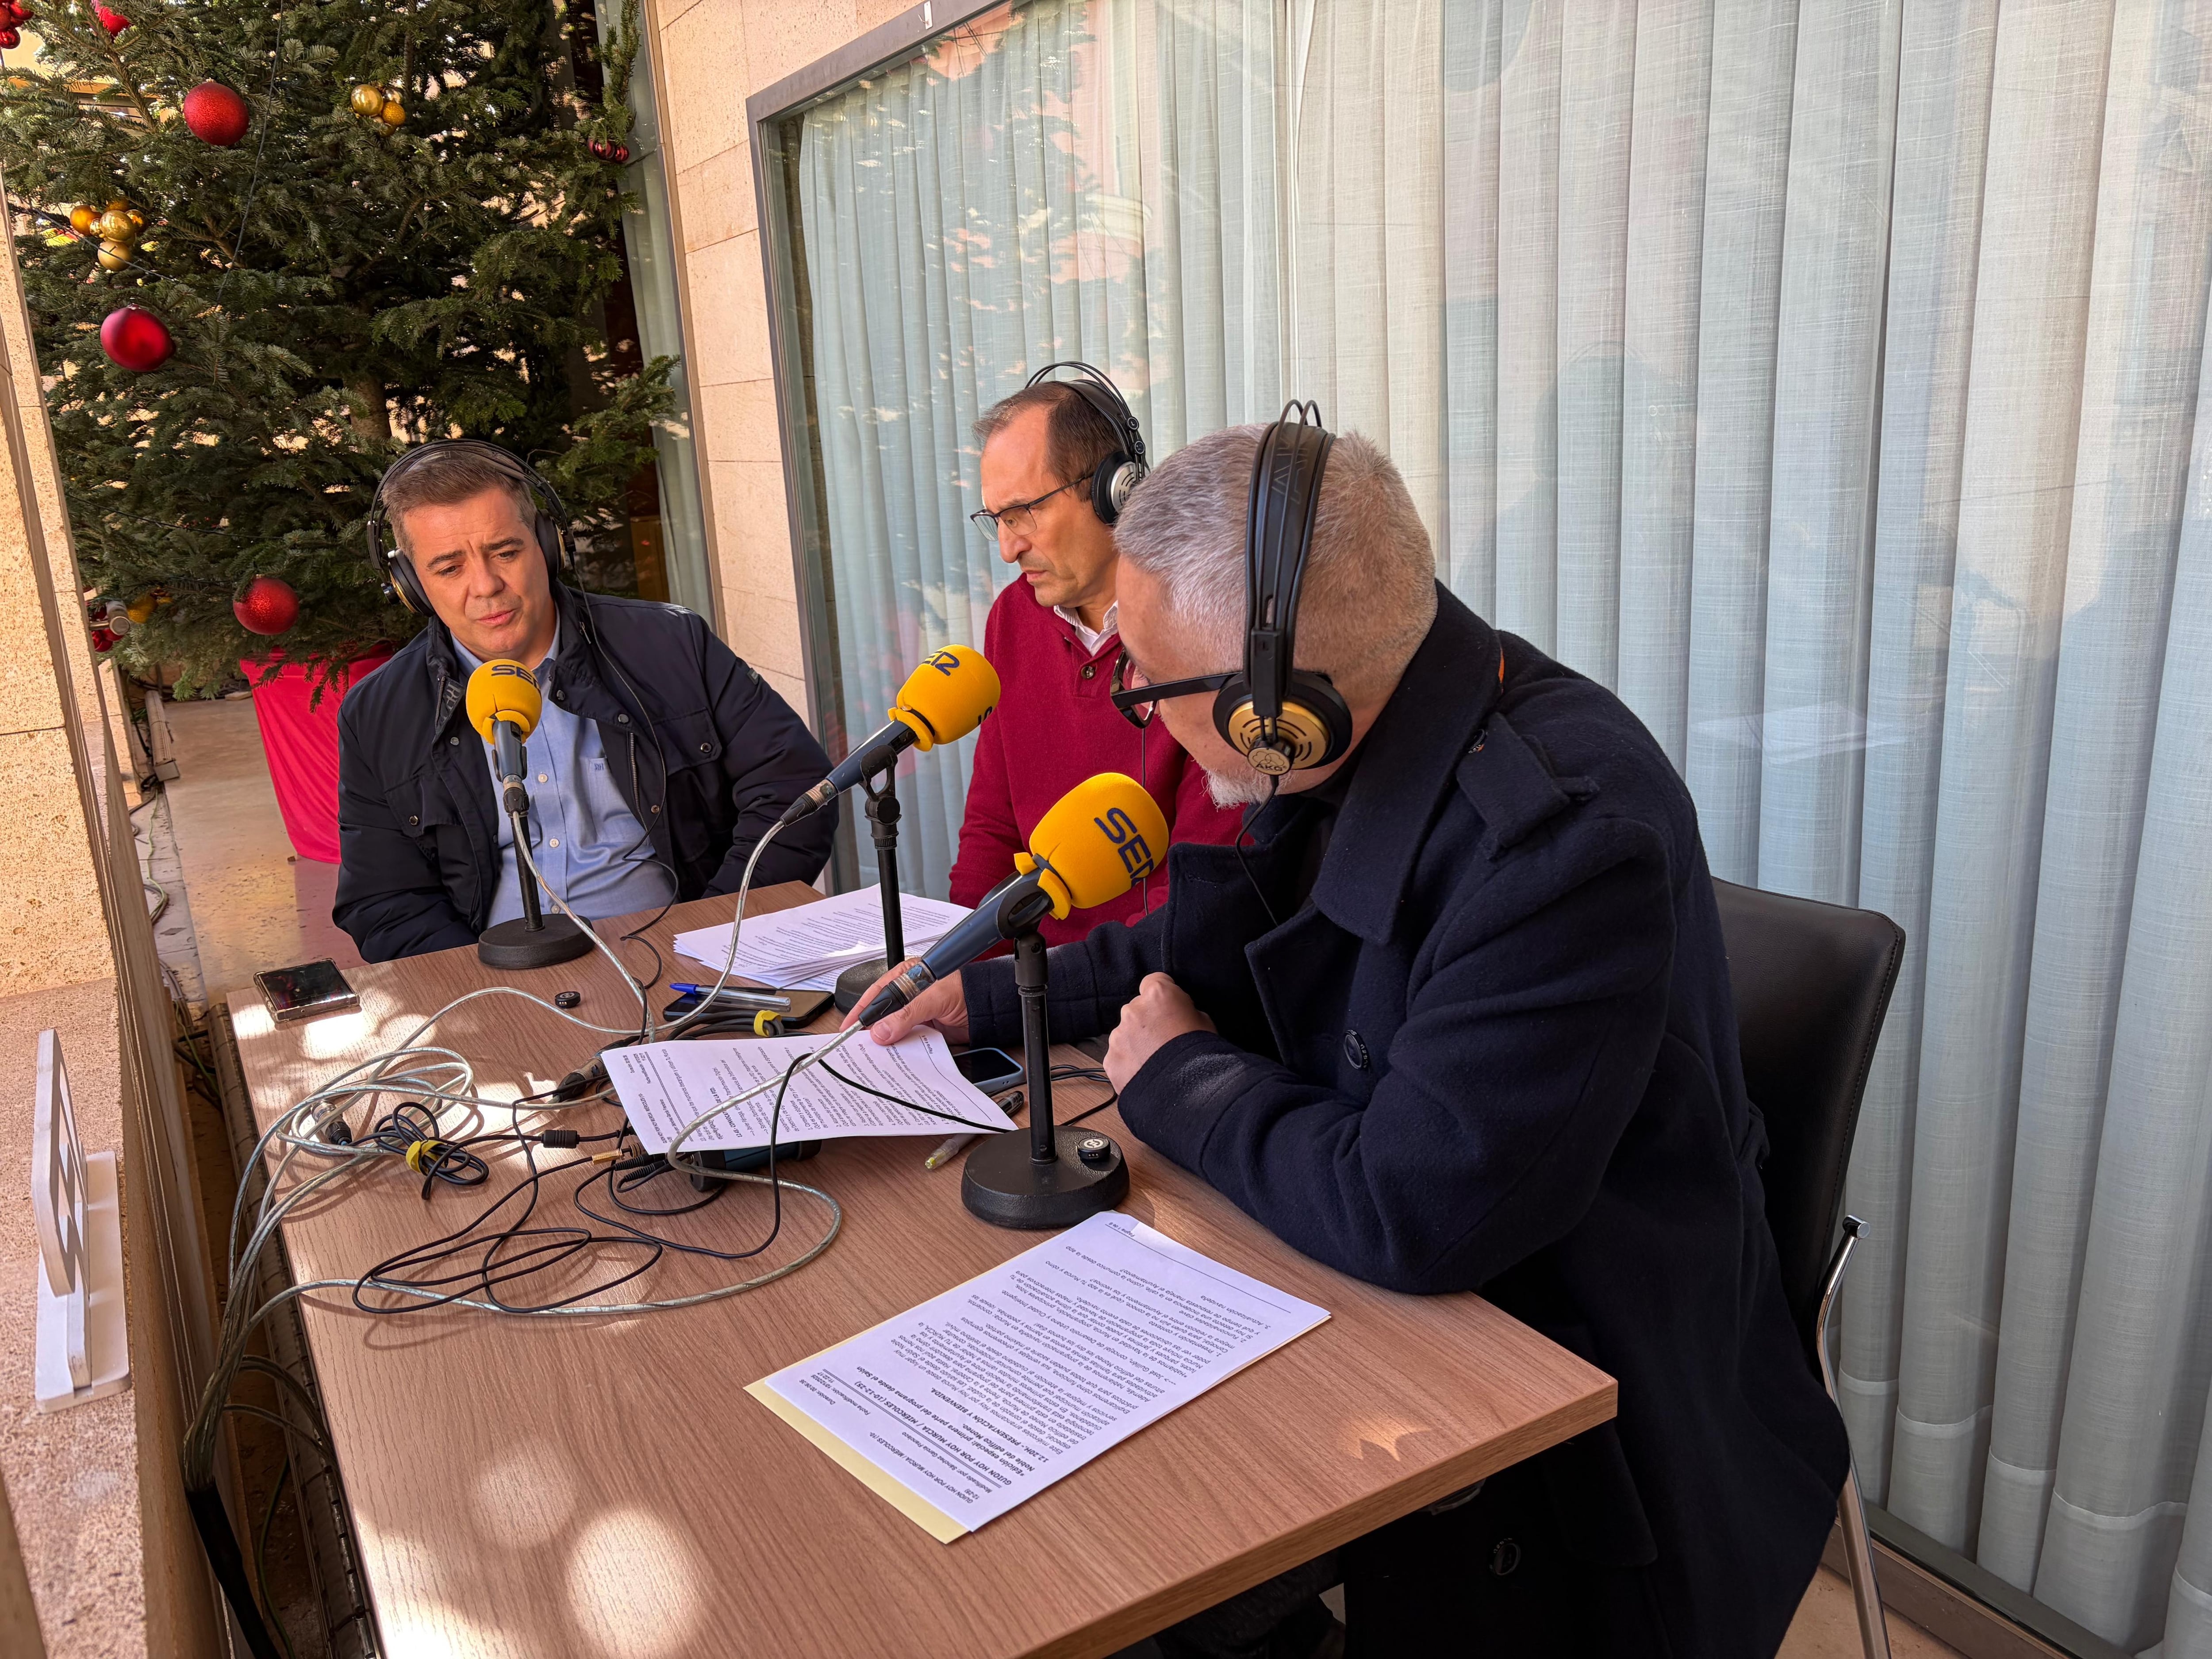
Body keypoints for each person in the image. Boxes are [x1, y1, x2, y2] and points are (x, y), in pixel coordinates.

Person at [861, 420, 1850, 1657]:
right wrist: (997, 992)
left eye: (1151, 686)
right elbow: (1226, 937)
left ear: (1270, 707)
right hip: (1403, 1308)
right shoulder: (1383, 711)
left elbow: (1415, 1205)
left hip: (1583, 1420)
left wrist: (1181, 1075)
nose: (1143, 719)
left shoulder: (1565, 838)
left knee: (1107, 1553)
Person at [334, 442, 836, 962]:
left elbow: (794, 790)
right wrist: (484, 985)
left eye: (505, 552)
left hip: (686, 956)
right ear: (410, 585)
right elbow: (385, 901)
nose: (486, 586)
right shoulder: (377, 713)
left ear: (547, 545)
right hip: (499, 980)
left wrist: (710, 937)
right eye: (449, 568)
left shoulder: (671, 644)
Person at [949, 365, 1243, 944]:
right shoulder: (1012, 617)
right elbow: (992, 826)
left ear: (1116, 490)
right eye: (997, 520)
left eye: (1023, 512)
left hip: (1147, 976)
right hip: (1023, 977)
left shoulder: (1203, 625)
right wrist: (957, 959)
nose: (1008, 548)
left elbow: (1201, 888)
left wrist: (1029, 987)